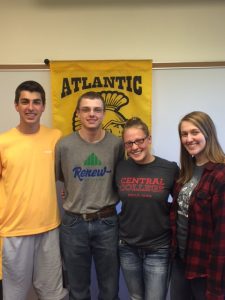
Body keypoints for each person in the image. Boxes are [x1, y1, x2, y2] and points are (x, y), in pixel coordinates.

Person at [0, 80, 67, 300]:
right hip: (14, 231)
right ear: (16, 105)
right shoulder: (3, 142)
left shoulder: (55, 137)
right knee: (14, 295)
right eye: (25, 102)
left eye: (36, 102)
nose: (31, 107)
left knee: (53, 294)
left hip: (49, 228)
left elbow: (68, 174)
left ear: (44, 106)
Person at [55, 91, 124, 300]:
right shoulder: (64, 145)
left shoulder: (116, 144)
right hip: (73, 223)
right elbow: (61, 177)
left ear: (103, 114)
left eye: (97, 110)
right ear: (77, 113)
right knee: (77, 288)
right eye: (86, 109)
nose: (91, 114)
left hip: (107, 221)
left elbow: (121, 179)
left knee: (110, 287)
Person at [115, 117, 179, 300]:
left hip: (158, 248)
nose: (135, 147)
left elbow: (183, 202)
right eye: (129, 143)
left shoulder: (169, 168)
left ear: (149, 139)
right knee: (135, 297)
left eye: (139, 141)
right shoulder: (120, 168)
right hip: (127, 246)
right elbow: (103, 192)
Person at [170, 111, 225, 300]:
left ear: (208, 133)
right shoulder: (185, 173)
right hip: (181, 261)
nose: (189, 139)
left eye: (195, 132)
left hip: (206, 269)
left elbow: (222, 235)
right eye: (184, 134)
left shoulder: (220, 175)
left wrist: (216, 286)